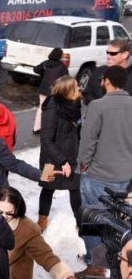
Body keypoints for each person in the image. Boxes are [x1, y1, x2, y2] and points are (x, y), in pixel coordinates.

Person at [76, 65, 132, 277]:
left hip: (99, 175)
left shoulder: (98, 106)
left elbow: (88, 141)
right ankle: (125, 262)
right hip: (126, 175)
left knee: (93, 220)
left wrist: (83, 165)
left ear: (107, 81)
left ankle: (97, 264)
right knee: (121, 221)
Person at [37, 75, 82, 231]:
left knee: (75, 189)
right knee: (48, 188)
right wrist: (63, 161)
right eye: (76, 86)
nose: (79, 89)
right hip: (51, 159)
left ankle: (80, 222)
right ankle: (42, 219)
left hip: (72, 156)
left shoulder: (74, 105)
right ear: (68, 89)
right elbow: (46, 140)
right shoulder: (51, 107)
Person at [83, 38, 132, 103]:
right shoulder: (98, 72)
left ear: (125, 55)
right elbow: (87, 95)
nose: (108, 56)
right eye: (107, 53)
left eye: (113, 53)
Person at [32, 47, 68, 134]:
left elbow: (35, 69)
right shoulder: (61, 65)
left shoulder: (45, 63)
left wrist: (43, 72)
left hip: (43, 89)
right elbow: (66, 77)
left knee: (41, 108)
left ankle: (36, 128)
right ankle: (51, 129)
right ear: (59, 56)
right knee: (54, 109)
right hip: (55, 91)